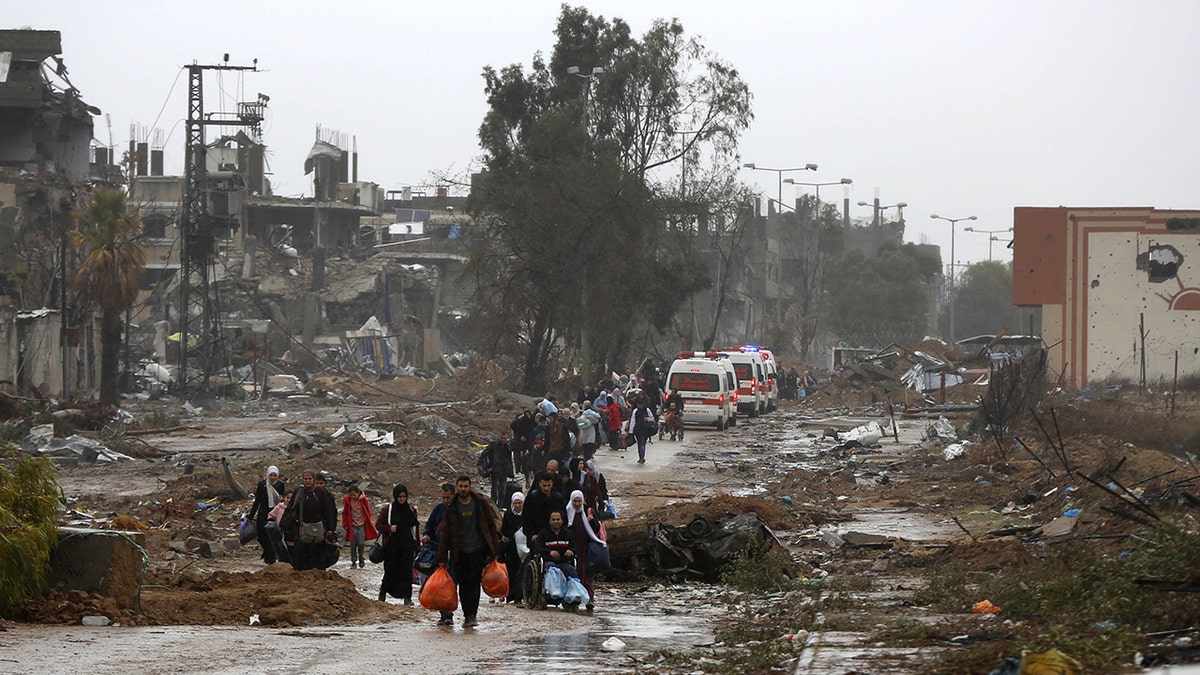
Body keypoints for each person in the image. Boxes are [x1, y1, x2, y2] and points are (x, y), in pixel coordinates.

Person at [437, 476, 500, 628]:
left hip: (478, 551)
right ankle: (466, 614)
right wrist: (442, 558)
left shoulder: (480, 503)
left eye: (466, 486)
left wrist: (495, 551)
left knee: (474, 583)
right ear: (457, 488)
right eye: (460, 486)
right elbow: (445, 533)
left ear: (470, 487)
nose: (463, 489)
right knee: (463, 585)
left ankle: (472, 615)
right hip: (460, 552)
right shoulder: (452, 507)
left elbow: (491, 527)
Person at [283, 470, 337, 571]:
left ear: (313, 480)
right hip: (301, 528)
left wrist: (330, 528)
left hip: (318, 528)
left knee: (318, 552)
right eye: (305, 479)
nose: (308, 481)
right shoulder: (299, 492)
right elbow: (292, 508)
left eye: (310, 479)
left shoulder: (320, 493)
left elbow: (327, 511)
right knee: (301, 553)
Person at [376, 484, 419, 604]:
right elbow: (378, 525)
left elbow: (415, 528)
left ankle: (407, 598)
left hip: (407, 546)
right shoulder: (387, 510)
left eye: (404, 496)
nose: (402, 499)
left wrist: (417, 545)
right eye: (400, 497)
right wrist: (389, 528)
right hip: (392, 547)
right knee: (390, 571)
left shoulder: (411, 510)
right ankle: (383, 593)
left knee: (406, 571)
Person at [566, 490, 606, 611]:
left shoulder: (588, 512)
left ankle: (589, 598)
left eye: (579, 501)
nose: (577, 504)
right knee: (574, 573)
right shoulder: (567, 512)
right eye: (575, 501)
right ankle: (574, 599)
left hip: (586, 548)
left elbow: (596, 528)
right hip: (572, 549)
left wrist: (591, 520)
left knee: (587, 574)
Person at [423, 482, 455, 625]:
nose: (446, 501)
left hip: (454, 553)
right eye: (444, 498)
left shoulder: (458, 510)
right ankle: (444, 614)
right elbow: (429, 525)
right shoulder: (438, 509)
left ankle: (449, 613)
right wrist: (426, 535)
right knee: (441, 584)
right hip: (438, 550)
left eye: (448, 497)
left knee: (451, 583)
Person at [246, 465, 285, 564]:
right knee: (262, 535)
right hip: (263, 513)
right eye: (271, 475)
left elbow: (284, 500)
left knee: (271, 535)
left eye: (274, 475)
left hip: (274, 513)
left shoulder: (280, 485)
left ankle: (271, 557)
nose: (272, 477)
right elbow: (257, 501)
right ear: (267, 475)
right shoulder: (262, 484)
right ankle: (268, 553)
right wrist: (251, 516)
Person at [522, 472, 566, 544]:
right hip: (536, 535)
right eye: (544, 485)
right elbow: (526, 518)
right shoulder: (532, 498)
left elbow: (564, 517)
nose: (546, 488)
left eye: (549, 485)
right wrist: (531, 534)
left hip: (554, 536)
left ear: (552, 484)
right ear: (539, 484)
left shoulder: (557, 498)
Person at [533, 510, 577, 581]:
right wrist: (550, 552)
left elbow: (574, 547)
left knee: (571, 570)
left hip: (564, 561)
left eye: (558, 519)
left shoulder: (568, 534)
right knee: (552, 570)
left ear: (562, 521)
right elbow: (537, 548)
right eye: (553, 520)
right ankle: (554, 590)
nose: (556, 521)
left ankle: (572, 590)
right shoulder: (543, 534)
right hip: (548, 561)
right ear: (549, 521)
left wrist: (571, 551)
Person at [341, 485, 377, 569]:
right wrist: (345, 524)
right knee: (352, 544)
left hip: (361, 524)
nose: (353, 497)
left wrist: (368, 520)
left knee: (361, 543)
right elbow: (345, 513)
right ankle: (353, 561)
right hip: (352, 524)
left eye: (354, 495)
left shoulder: (363, 500)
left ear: (358, 493)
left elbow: (367, 511)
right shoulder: (348, 501)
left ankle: (361, 558)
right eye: (351, 495)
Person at [499, 491, 525, 603]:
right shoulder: (509, 514)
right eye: (515, 503)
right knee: (512, 571)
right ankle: (511, 595)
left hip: (524, 547)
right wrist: (513, 534)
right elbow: (504, 529)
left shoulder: (526, 514)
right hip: (512, 547)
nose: (517, 506)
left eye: (519, 503)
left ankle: (520, 595)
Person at [482, 432, 515, 505]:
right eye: (502, 438)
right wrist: (479, 463)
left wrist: (511, 472)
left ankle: (500, 505)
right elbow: (485, 452)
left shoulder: (508, 447)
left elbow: (509, 460)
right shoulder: (494, 445)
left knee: (502, 490)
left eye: (505, 439)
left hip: (504, 471)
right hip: (495, 470)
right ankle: (493, 504)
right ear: (499, 438)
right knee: (494, 488)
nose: (503, 440)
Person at [265, 489, 293, 564]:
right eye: (287, 498)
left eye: (291, 498)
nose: (289, 500)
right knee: (281, 548)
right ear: (284, 498)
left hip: (291, 533)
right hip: (280, 532)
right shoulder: (279, 507)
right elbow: (271, 515)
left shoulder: (295, 508)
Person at [629, 399, 656, 464]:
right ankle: (641, 457)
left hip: (645, 430)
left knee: (642, 443)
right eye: (638, 404)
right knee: (640, 444)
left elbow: (652, 418)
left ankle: (642, 457)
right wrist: (631, 430)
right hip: (638, 430)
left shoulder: (647, 410)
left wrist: (646, 418)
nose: (639, 406)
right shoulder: (635, 411)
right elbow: (633, 421)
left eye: (640, 404)